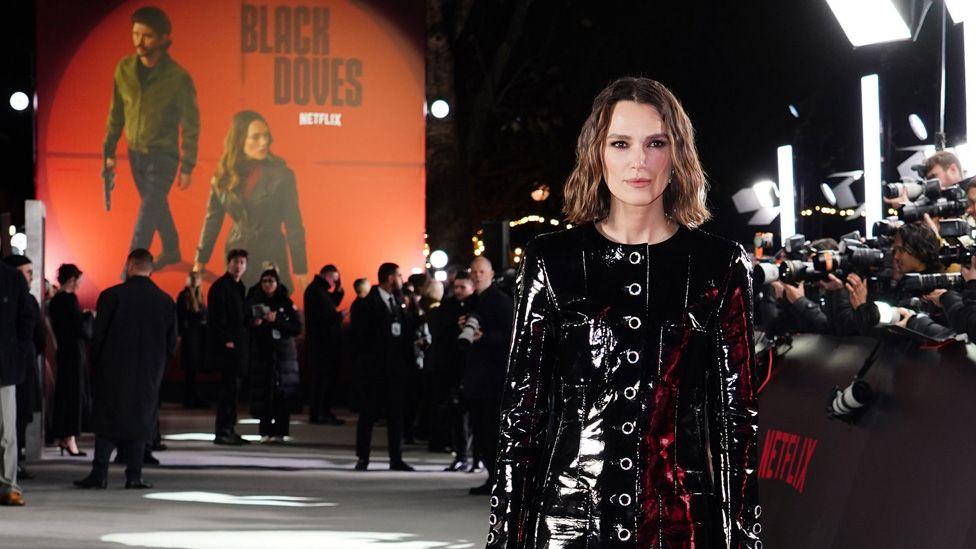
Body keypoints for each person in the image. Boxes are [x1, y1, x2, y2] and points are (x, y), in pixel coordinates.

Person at [485, 77, 761, 547]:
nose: (639, 162)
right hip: (569, 525)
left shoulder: (720, 264)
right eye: (621, 143)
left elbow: (736, 423)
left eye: (656, 143)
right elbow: (521, 417)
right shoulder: (552, 260)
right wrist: (505, 538)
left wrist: (746, 541)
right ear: (598, 153)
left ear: (677, 156)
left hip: (682, 526)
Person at [103, 6, 199, 270]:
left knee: (146, 215)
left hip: (164, 156)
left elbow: (191, 124)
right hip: (135, 153)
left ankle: (130, 273)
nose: (138, 41)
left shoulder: (178, 78)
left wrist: (188, 165)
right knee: (156, 206)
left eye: (146, 36)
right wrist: (109, 151)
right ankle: (172, 249)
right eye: (135, 33)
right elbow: (116, 113)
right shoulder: (124, 69)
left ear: (163, 38)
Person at [73, 249, 176, 490]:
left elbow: (99, 336)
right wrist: (159, 367)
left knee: (108, 419)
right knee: (141, 419)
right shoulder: (165, 301)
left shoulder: (111, 296)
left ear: (129, 265)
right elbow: (172, 342)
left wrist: (95, 364)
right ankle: (135, 475)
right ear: (151, 269)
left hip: (114, 368)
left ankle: (99, 474)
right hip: (149, 372)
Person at [194, 110, 308, 293]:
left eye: (266, 136)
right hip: (238, 253)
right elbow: (212, 221)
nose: (263, 142)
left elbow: (294, 224)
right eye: (256, 137)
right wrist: (200, 261)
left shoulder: (283, 176)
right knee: (238, 306)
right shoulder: (223, 176)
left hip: (270, 252)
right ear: (240, 140)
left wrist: (301, 270)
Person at [353, 263, 415, 471]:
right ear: (390, 278)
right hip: (373, 370)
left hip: (396, 370)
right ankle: (363, 457)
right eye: (399, 275)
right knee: (368, 414)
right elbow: (359, 338)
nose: (401, 279)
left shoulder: (398, 301)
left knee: (396, 415)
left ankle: (395, 458)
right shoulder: (367, 304)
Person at [462, 256, 513, 495]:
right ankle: (492, 477)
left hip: (494, 378)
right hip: (476, 377)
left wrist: (486, 337)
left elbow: (513, 337)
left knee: (492, 431)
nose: (477, 275)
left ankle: (498, 480)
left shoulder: (501, 301)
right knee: (481, 431)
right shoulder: (471, 302)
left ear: (491, 274)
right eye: (474, 271)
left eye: (482, 271)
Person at [2, 255, 45, 481]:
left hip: (10, 368)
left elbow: (29, 327)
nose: (31, 277)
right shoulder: (18, 287)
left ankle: (9, 479)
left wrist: (18, 353)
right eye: (28, 272)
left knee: (9, 429)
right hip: (13, 365)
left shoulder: (16, 285)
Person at [247, 269, 302, 443]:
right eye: (264, 281)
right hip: (262, 354)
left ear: (277, 283)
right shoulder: (254, 302)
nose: (268, 284)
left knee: (283, 394)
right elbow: (246, 326)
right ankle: (265, 431)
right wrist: (255, 323)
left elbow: (297, 328)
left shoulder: (286, 303)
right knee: (263, 393)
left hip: (284, 356)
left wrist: (276, 320)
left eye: (271, 281)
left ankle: (280, 431)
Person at [48, 264, 92, 457]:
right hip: (73, 352)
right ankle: (70, 438)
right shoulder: (68, 299)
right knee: (74, 395)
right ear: (72, 280)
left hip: (65, 351)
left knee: (65, 394)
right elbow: (79, 328)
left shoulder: (56, 301)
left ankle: (64, 436)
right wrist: (89, 316)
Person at [0, 259, 34, 506]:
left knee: (6, 432)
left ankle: (8, 485)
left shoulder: (12, 279)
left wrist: (18, 353)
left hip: (4, 366)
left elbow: (26, 320)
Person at [208, 249, 250, 445]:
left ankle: (230, 429)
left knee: (235, 390)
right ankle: (223, 431)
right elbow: (216, 318)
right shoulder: (220, 286)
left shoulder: (239, 286)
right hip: (228, 347)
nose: (239, 266)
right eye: (236, 262)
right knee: (228, 389)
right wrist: (226, 339)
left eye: (242, 262)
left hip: (239, 345)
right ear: (228, 263)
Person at [305, 264, 345, 425]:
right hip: (321, 344)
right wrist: (339, 316)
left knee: (321, 379)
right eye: (333, 279)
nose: (333, 283)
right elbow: (325, 316)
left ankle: (320, 412)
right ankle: (320, 412)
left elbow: (330, 305)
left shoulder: (318, 291)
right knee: (322, 379)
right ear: (327, 275)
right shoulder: (316, 291)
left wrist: (338, 292)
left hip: (320, 343)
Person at [176, 270, 208, 408]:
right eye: (192, 278)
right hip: (190, 336)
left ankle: (192, 397)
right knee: (191, 367)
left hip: (198, 336)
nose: (195, 281)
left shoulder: (199, 295)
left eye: (197, 278)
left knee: (194, 368)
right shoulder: (184, 296)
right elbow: (182, 315)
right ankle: (189, 398)